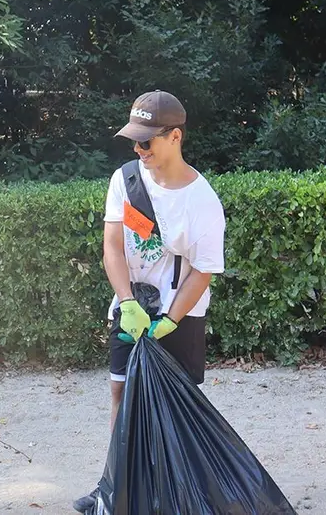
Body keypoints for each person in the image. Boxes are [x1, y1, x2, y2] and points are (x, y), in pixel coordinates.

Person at [72, 89, 227, 513]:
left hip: (179, 316)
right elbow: (113, 248)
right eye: (134, 141)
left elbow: (204, 269)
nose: (138, 149)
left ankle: (178, 495)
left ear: (175, 137)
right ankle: (116, 489)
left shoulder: (202, 201)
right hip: (131, 310)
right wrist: (126, 302)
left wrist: (170, 320)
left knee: (176, 407)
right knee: (121, 397)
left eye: (147, 141)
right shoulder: (125, 180)